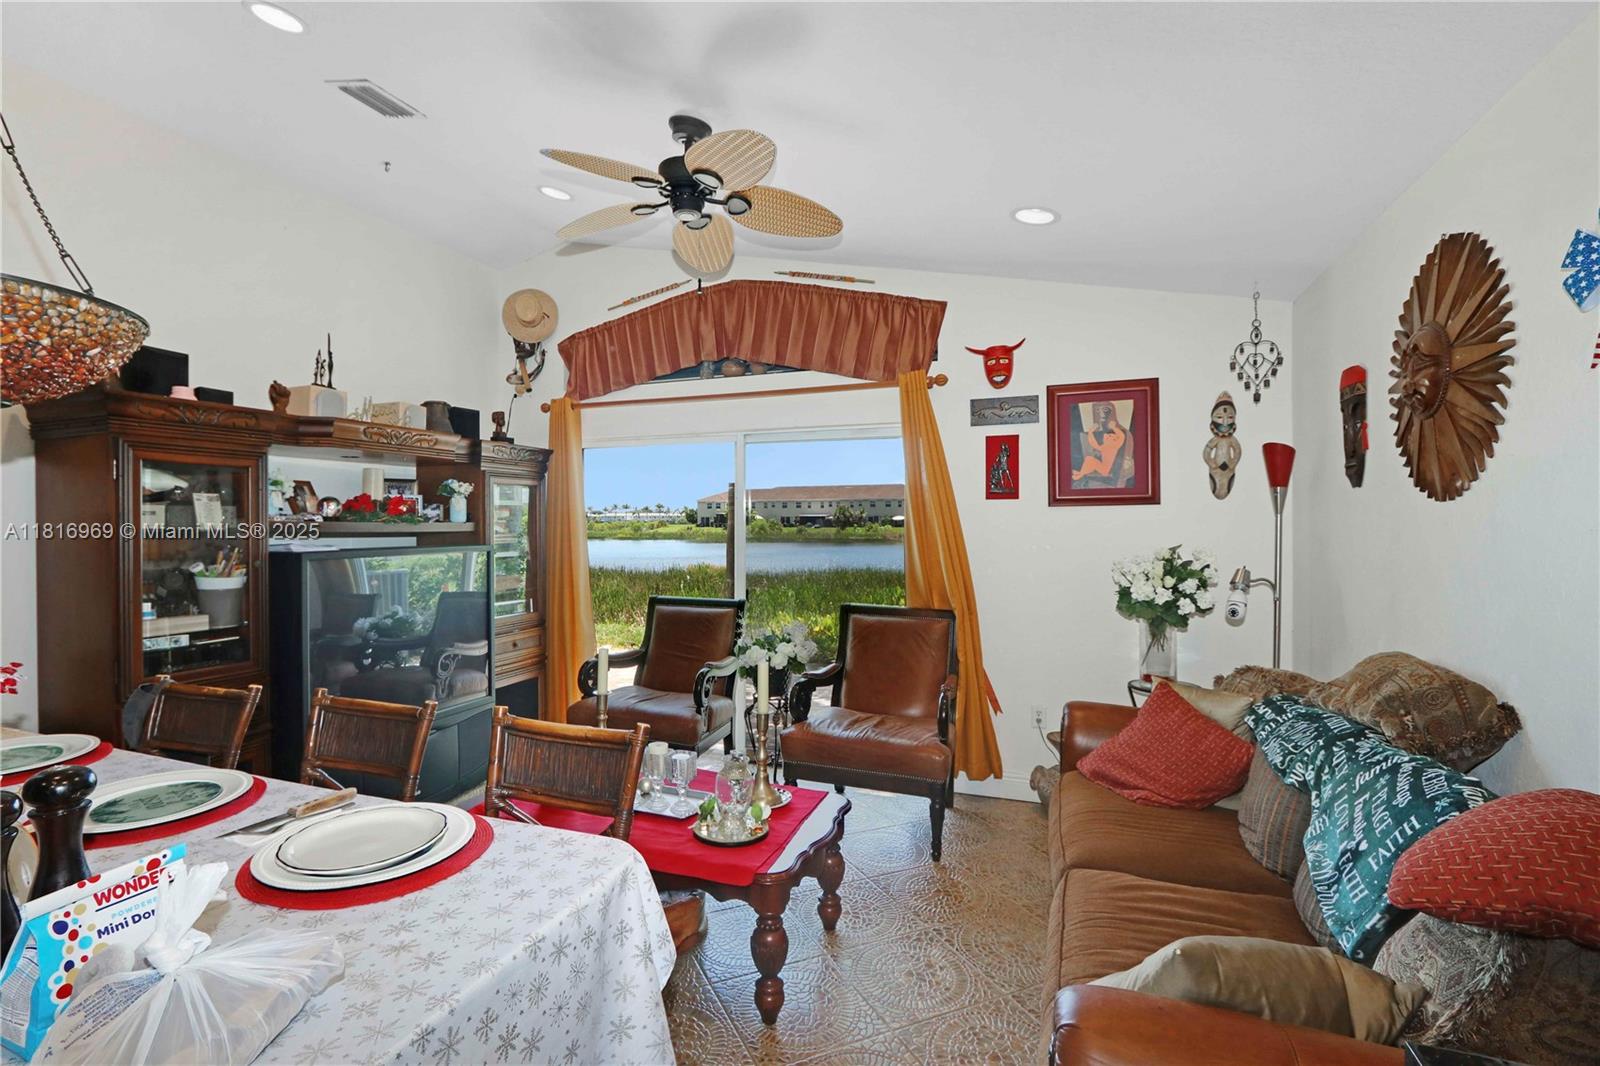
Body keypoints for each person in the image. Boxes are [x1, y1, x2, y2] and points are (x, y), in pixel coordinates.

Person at [1073, 402, 1127, 483]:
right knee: (1089, 459)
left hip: (1106, 470)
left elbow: (1122, 437)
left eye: (1110, 437)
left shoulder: (1114, 446)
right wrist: (1090, 432)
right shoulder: (1105, 447)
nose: (1107, 436)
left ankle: (1080, 474)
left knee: (1090, 461)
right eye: (1107, 436)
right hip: (1103, 468)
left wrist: (1115, 428)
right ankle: (1081, 473)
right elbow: (1094, 444)